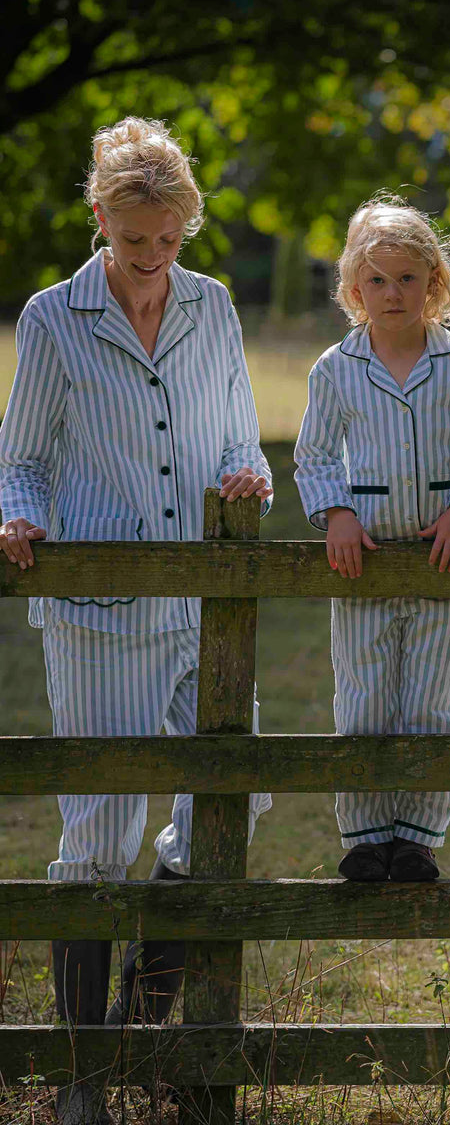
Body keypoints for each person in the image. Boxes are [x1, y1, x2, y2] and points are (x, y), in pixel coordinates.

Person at [0, 117, 272, 1125]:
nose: (152, 258)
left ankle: (144, 1023)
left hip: (207, 600)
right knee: (99, 835)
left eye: (167, 239)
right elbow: (21, 455)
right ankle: (81, 1079)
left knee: (225, 810)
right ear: (101, 220)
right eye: (133, 239)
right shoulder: (53, 317)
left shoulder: (212, 305)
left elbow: (243, 433)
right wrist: (17, 510)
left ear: (187, 225)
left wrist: (253, 473)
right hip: (101, 611)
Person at [294, 194, 450, 885]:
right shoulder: (335, 368)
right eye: (377, 280)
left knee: (435, 698)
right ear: (354, 290)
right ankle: (364, 836)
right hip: (366, 563)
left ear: (434, 283)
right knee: (364, 697)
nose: (393, 292)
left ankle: (416, 838)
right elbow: (317, 456)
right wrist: (337, 515)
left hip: (445, 562)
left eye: (408, 278)